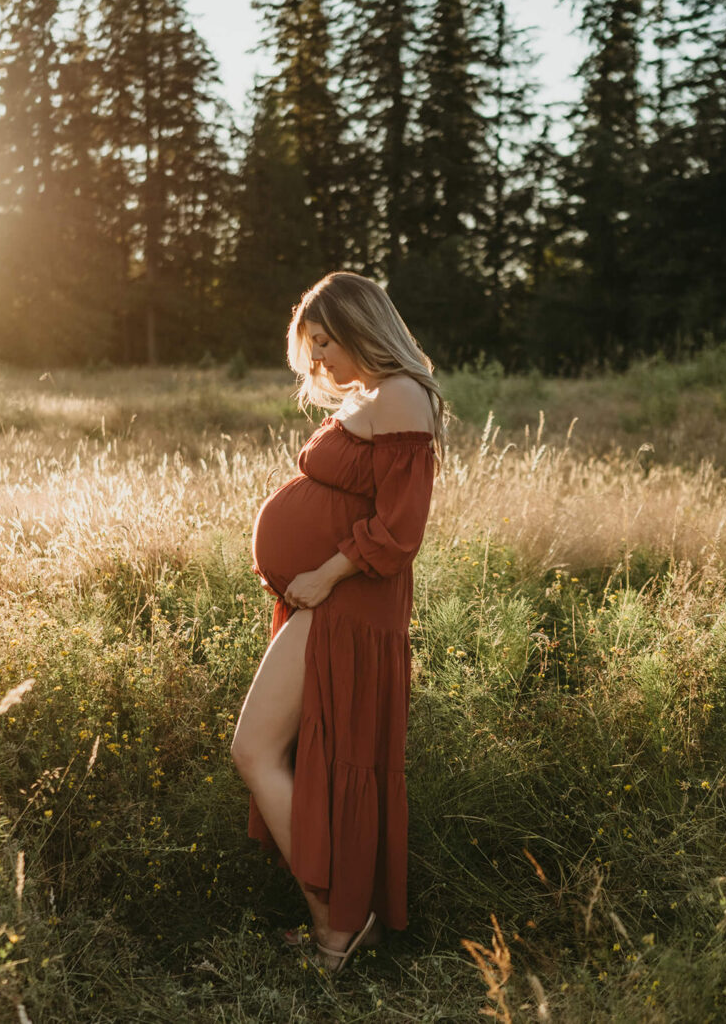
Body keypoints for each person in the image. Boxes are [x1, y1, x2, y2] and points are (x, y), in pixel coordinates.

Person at [231, 271, 446, 972]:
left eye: (325, 341)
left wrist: (323, 573)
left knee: (255, 749)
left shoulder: (404, 394)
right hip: (327, 604)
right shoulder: (373, 397)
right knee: (285, 754)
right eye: (310, 346)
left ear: (362, 325)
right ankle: (343, 923)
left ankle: (338, 930)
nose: (318, 360)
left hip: (348, 605)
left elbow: (400, 527)